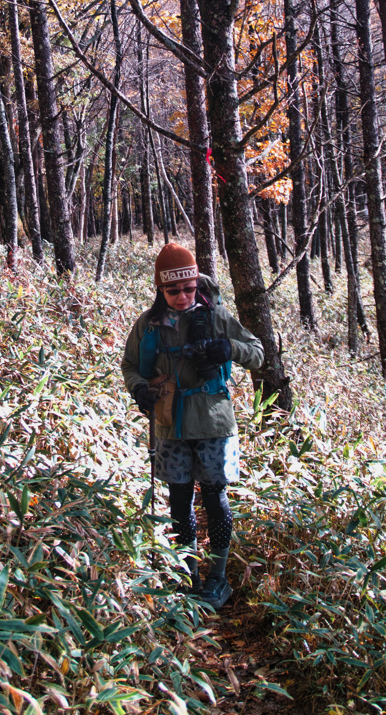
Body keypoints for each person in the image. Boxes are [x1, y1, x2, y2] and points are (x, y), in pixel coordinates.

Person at [121, 243, 264, 610]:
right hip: (170, 424)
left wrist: (228, 348)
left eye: (187, 288)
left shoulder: (215, 316)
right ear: (160, 289)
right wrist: (139, 389)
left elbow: (258, 352)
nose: (182, 296)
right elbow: (130, 366)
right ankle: (187, 574)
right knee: (179, 500)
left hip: (214, 421)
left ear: (196, 284)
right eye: (172, 290)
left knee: (215, 499)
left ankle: (217, 578)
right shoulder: (148, 325)